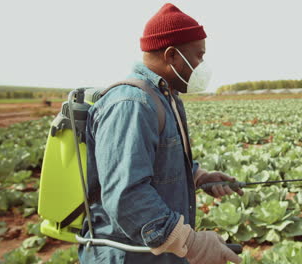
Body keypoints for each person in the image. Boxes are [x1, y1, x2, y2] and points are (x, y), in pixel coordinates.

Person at [78, 3, 243, 264]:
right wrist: (191, 244)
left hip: (156, 254)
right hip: (127, 256)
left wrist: (199, 177)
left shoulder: (165, 97)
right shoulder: (131, 104)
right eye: (199, 56)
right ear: (172, 56)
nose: (202, 65)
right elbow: (126, 195)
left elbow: (157, 162)